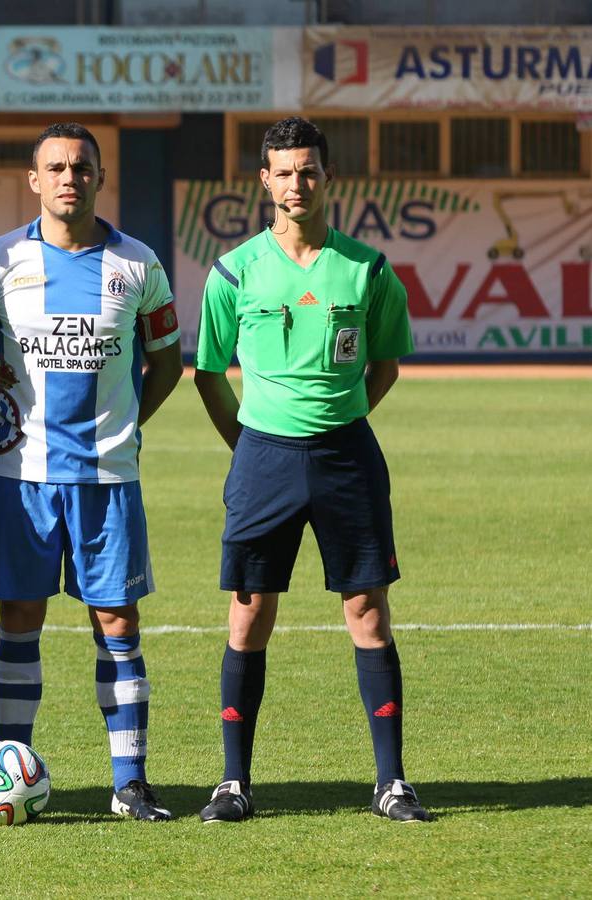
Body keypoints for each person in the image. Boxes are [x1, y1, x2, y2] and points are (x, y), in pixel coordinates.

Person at [192, 116, 428, 823]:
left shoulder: (366, 268)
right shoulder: (234, 271)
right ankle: (233, 783)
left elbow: (383, 363)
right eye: (284, 170)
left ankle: (391, 783)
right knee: (249, 612)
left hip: (345, 455)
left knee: (367, 611)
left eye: (309, 170)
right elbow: (206, 371)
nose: (298, 182)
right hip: (262, 455)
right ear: (263, 180)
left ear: (328, 177)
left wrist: (341, 416)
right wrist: (249, 444)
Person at [0, 123, 184, 822]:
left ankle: (129, 784)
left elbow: (167, 361)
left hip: (107, 477)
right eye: (54, 167)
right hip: (19, 474)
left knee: (116, 618)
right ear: (33, 180)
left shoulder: (139, 264)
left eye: (80, 167)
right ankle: (7, 769)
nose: (67, 178)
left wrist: (124, 426)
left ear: (98, 176)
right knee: (18, 616)